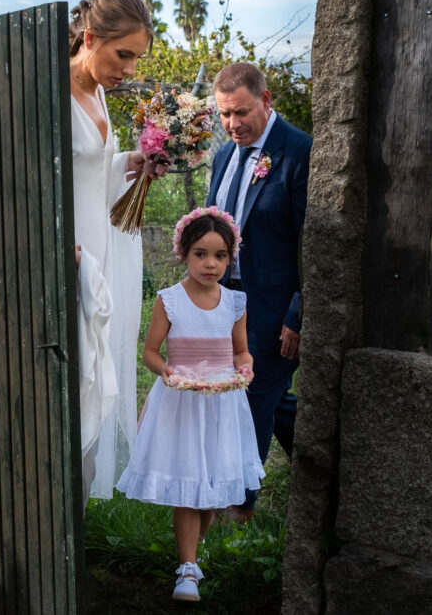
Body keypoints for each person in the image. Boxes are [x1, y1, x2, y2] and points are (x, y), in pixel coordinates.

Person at [116, 207, 265, 602]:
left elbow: (241, 352)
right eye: (200, 253)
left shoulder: (234, 303)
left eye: (219, 255)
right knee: (188, 486)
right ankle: (186, 569)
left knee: (212, 485)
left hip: (220, 403)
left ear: (230, 257)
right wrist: (168, 373)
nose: (210, 264)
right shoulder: (170, 300)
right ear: (183, 252)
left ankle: (193, 555)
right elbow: (150, 352)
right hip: (182, 401)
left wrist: (245, 368)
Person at [205, 62, 311, 523]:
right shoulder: (225, 155)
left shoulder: (300, 152)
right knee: (270, 397)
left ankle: (240, 507)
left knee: (250, 400)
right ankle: (327, 462)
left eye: (242, 112)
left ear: (266, 101)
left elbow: (316, 243)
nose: (233, 125)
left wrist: (299, 314)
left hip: (274, 311)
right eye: (225, 115)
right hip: (226, 305)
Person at [68, 0, 156, 503]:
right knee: (78, 381)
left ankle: (74, 518)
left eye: (136, 59)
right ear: (90, 37)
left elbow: (93, 176)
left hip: (97, 252)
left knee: (96, 379)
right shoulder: (52, 93)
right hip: (68, 258)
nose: (127, 70)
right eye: (123, 55)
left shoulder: (98, 92)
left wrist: (131, 162)